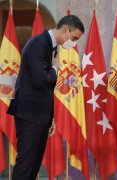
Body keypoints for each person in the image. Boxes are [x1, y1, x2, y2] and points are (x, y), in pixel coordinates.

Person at [7, 15, 84, 180]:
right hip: (29, 114)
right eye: (75, 37)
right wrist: (56, 69)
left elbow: (46, 89)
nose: (74, 43)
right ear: (65, 30)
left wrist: (51, 117)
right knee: (26, 163)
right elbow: (40, 79)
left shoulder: (50, 46)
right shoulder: (39, 43)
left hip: (39, 115)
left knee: (34, 164)